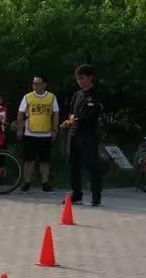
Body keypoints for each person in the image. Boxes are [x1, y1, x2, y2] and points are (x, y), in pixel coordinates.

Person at [62, 64, 105, 206]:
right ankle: (76, 194)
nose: (79, 81)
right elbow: (71, 113)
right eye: (78, 79)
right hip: (74, 133)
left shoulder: (96, 95)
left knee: (92, 165)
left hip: (88, 134)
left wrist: (78, 119)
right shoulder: (77, 95)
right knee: (73, 164)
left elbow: (93, 115)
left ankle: (96, 196)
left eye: (82, 78)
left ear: (90, 78)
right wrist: (69, 121)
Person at [16, 75, 59, 192]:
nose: (35, 86)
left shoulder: (51, 97)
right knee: (28, 160)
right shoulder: (28, 97)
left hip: (46, 134)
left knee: (45, 161)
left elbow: (56, 114)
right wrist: (20, 129)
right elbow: (20, 113)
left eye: (38, 83)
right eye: (34, 83)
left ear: (44, 85)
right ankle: (27, 183)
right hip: (30, 133)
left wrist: (55, 130)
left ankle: (45, 183)